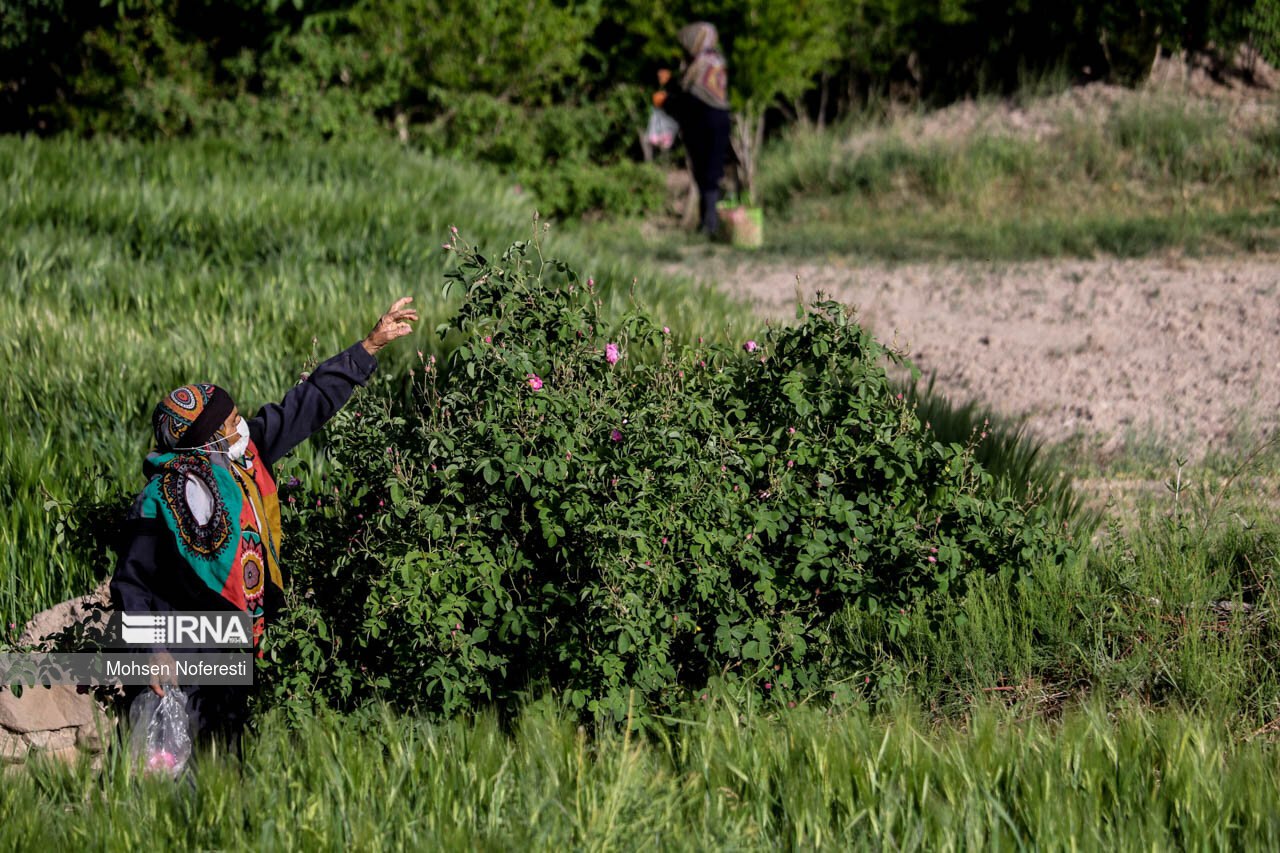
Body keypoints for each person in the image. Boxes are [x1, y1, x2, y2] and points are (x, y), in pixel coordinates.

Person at [109, 297, 418, 755]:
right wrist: (151, 654)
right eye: (232, 423)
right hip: (190, 649)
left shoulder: (245, 459)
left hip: (244, 641)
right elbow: (133, 585)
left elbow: (304, 405)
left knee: (231, 754)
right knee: (183, 761)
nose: (241, 428)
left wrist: (368, 347)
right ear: (207, 440)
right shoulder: (159, 500)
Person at [653, 22, 732, 237]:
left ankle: (710, 225)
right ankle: (708, 223)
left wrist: (666, 102)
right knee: (706, 175)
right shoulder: (712, 61)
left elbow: (691, 104)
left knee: (708, 175)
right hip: (713, 122)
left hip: (707, 124)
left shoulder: (703, 65)